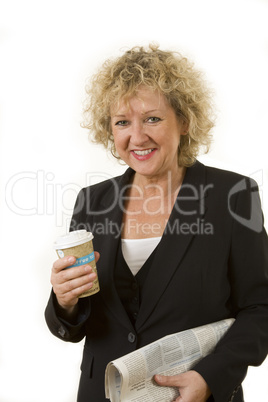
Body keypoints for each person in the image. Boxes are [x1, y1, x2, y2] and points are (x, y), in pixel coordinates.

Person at [45, 44, 268, 402]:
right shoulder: (92, 201)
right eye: (122, 122)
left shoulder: (234, 194)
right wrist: (64, 300)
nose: (137, 136)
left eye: (152, 118)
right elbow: (73, 326)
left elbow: (260, 308)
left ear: (184, 120)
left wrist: (210, 378)